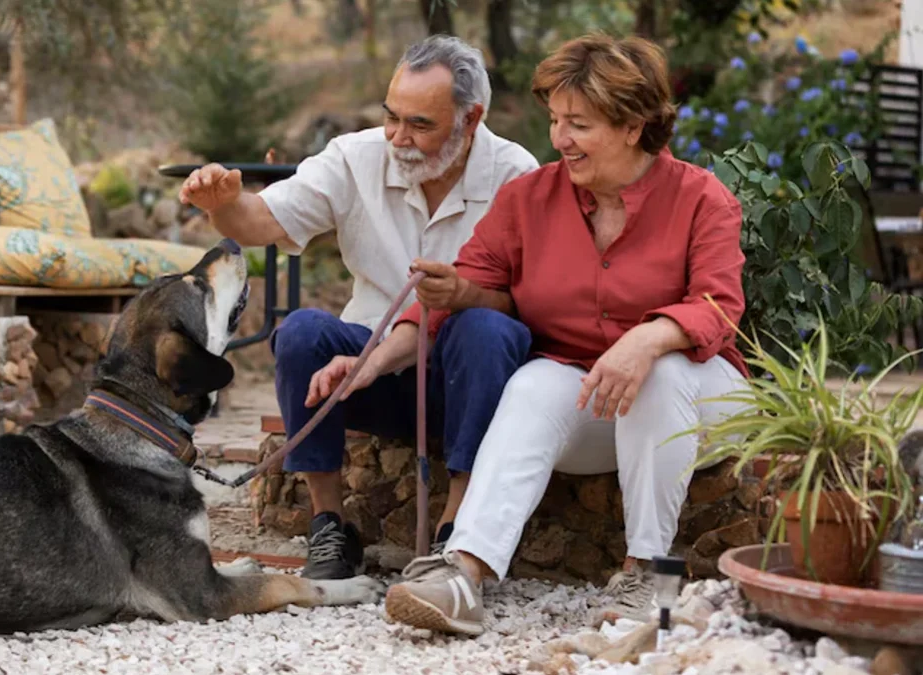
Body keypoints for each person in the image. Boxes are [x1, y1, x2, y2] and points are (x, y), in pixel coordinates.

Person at [313, 33, 751, 635]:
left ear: (634, 126)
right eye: (555, 120)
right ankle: (463, 574)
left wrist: (645, 339)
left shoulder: (702, 198)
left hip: (700, 401)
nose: (559, 139)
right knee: (534, 383)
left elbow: (719, 307)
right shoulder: (529, 198)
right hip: (593, 398)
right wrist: (372, 362)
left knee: (661, 372)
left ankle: (650, 573)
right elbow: (459, 289)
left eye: (579, 124)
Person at [178, 35, 540, 580]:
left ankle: (456, 531)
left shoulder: (516, 173)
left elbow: (527, 301)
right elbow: (261, 222)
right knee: (302, 332)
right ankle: (329, 526)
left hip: (467, 379)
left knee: (487, 329)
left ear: (471, 119)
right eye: (391, 116)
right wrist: (225, 205)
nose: (398, 137)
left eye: (420, 124)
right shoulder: (355, 156)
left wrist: (463, 296)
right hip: (367, 372)